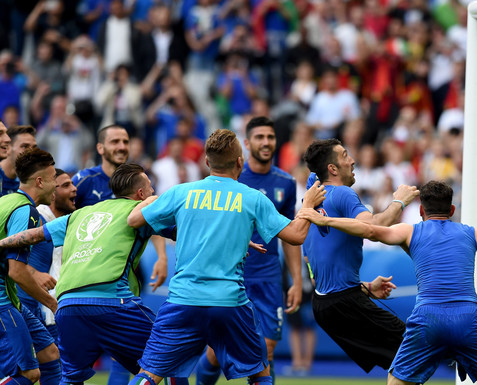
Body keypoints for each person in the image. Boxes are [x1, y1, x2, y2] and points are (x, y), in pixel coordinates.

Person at [297, 180, 477, 385]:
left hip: (428, 319)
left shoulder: (411, 231)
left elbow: (370, 229)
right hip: (469, 319)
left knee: (396, 382)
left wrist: (326, 221)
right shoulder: (472, 234)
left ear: (421, 211)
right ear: (453, 209)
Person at [125, 129, 326, 385]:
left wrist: (155, 198)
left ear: (207, 162)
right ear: (240, 161)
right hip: (229, 302)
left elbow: (134, 220)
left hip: (183, 300)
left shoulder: (181, 193)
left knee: (150, 375)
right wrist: (307, 204)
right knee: (260, 372)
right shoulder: (252, 197)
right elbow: (296, 236)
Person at [0, 164, 189, 385]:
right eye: (150, 188)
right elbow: (184, 232)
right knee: (169, 357)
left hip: (68, 307)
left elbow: (33, 235)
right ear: (141, 194)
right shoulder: (141, 213)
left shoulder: (80, 214)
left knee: (70, 378)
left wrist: (1, 243)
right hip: (112, 302)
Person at [195, 116, 302, 385]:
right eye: (260, 137)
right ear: (246, 143)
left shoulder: (286, 183)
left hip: (267, 278)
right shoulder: (230, 178)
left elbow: (289, 235)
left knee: (265, 350)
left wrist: (297, 280)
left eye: (270, 137)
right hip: (232, 275)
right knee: (216, 353)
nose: (266, 143)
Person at [301, 138, 418, 373]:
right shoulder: (343, 194)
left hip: (323, 304)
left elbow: (315, 270)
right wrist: (400, 202)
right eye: (345, 155)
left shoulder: (311, 197)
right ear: (332, 169)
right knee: (413, 349)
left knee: (403, 360)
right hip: (345, 302)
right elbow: (373, 229)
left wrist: (364, 288)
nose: (352, 160)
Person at [71, 124, 166, 385]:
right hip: (85, 275)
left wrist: (162, 256)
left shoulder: (137, 180)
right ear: (100, 148)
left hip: (122, 275)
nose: (122, 146)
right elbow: (63, 220)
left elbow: (151, 219)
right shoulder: (83, 181)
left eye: (125, 141)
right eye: (115, 142)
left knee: (121, 355)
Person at [0, 147, 60, 385]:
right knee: (28, 374)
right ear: (39, 181)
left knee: (49, 354)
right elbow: (16, 271)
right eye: (54, 178)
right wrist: (52, 303)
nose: (55, 185)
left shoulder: (6, 200)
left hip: (9, 297)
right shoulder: (27, 212)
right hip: (2, 301)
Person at [16, 169, 77, 342]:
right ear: (52, 192)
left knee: (55, 363)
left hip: (54, 308)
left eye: (72, 184)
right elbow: (7, 258)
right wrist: (35, 273)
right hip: (33, 306)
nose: (74, 189)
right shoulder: (35, 217)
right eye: (66, 185)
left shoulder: (68, 223)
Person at [0, 125, 37, 197]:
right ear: (7, 147)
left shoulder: (24, 185)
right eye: (25, 147)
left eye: (34, 147)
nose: (32, 152)